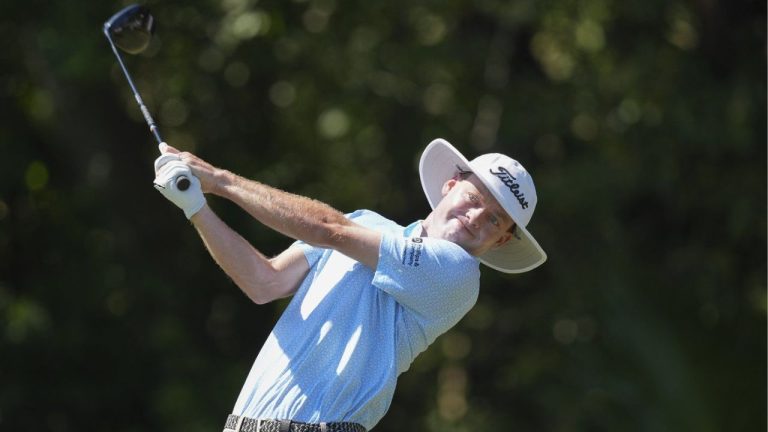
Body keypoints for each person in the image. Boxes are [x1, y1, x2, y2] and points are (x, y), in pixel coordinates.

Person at [152, 138, 547, 432]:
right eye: (473, 196)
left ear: (500, 241)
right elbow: (264, 282)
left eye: (495, 220)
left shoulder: (457, 273)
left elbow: (330, 230)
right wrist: (196, 208)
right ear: (451, 185)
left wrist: (219, 181)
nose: (477, 216)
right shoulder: (367, 224)